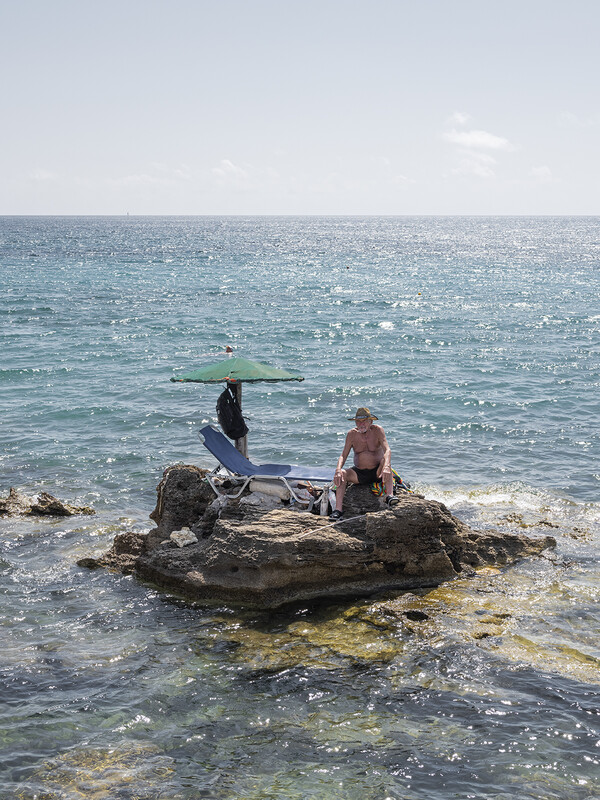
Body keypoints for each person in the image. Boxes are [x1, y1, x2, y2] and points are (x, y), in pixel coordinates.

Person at [330, 407, 399, 520]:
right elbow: (343, 455)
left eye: (364, 421)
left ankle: (389, 496)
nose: (361, 424)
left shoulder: (377, 431)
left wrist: (386, 466)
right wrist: (338, 470)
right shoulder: (351, 434)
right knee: (342, 473)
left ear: (370, 421)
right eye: (358, 421)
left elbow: (387, 450)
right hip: (359, 474)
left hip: (378, 472)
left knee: (386, 462)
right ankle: (338, 510)